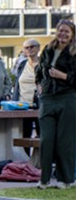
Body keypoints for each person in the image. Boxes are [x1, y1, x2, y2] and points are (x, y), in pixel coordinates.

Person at [35, 19, 76, 189]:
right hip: (48, 98)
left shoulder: (74, 52)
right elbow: (39, 71)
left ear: (72, 35)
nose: (63, 34)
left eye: (67, 31)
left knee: (64, 140)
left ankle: (65, 179)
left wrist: (63, 76)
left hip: (68, 98)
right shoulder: (48, 49)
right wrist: (39, 85)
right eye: (60, 30)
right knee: (46, 139)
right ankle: (43, 179)